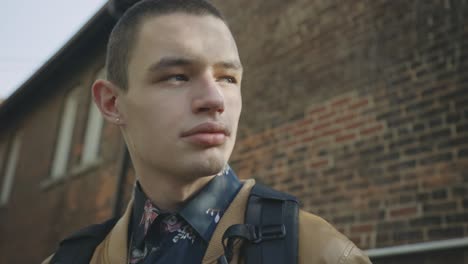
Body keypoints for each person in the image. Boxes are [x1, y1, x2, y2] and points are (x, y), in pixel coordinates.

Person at [43, 0, 372, 263]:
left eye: (228, 78)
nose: (215, 100)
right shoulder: (74, 258)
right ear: (112, 102)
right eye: (177, 76)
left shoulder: (319, 254)